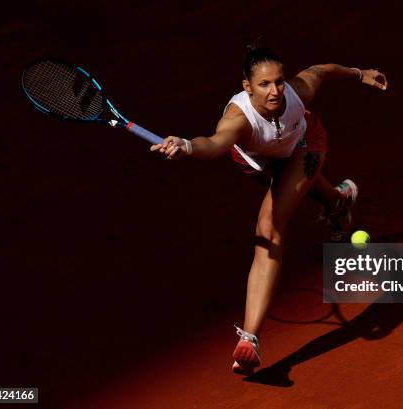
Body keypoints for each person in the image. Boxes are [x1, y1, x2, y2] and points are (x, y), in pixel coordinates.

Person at [150, 45, 387, 376]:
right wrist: (187, 145)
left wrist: (358, 73)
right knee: (292, 186)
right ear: (247, 86)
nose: (275, 91)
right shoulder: (238, 119)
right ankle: (338, 200)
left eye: (278, 81)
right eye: (264, 84)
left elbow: (320, 70)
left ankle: (250, 339)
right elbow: (214, 144)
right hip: (260, 162)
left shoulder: (296, 93)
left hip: (305, 145)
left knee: (268, 228)